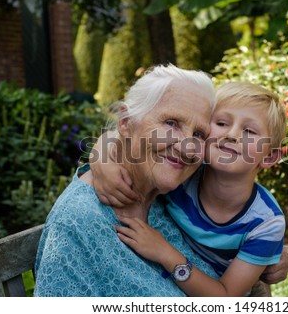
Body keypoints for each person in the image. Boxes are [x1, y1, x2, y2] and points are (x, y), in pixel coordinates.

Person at [34, 64, 221, 296]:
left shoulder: (180, 193)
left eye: (199, 134)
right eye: (171, 123)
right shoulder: (77, 221)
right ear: (125, 123)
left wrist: (268, 256)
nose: (187, 147)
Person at [92, 82, 288, 296]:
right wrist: (101, 160)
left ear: (269, 156)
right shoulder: (182, 173)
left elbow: (225, 297)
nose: (232, 134)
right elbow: (124, 137)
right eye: (221, 123)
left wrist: (164, 252)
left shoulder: (266, 223)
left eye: (249, 131)